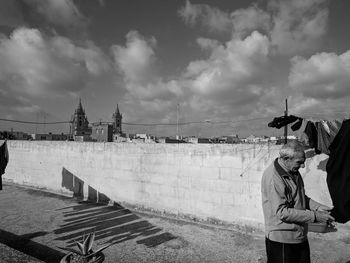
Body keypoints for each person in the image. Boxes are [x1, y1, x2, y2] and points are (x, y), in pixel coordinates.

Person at [261, 140, 334, 263]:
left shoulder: (293, 171)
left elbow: (300, 197)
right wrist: (315, 216)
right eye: (300, 162)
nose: (303, 166)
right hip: (281, 239)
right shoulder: (274, 178)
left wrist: (318, 207)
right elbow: (282, 212)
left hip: (298, 235)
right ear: (286, 159)